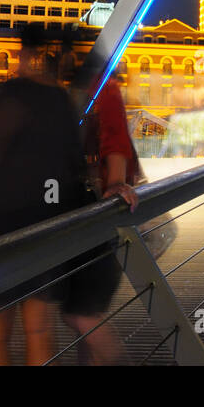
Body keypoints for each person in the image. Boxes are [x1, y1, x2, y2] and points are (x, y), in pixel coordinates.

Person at [0, 25, 86, 366]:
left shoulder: (12, 93)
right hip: (43, 227)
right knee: (38, 332)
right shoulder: (61, 101)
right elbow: (74, 164)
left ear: (26, 54)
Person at [60, 48, 139, 365]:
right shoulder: (81, 90)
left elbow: (115, 138)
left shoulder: (101, 87)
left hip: (97, 213)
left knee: (82, 314)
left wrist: (117, 182)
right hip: (81, 210)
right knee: (83, 312)